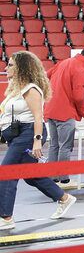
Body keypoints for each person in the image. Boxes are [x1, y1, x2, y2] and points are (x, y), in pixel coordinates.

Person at [1, 52, 76, 230]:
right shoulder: (15, 88)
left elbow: (38, 117)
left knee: (6, 174)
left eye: (10, 65)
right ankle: (64, 198)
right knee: (30, 175)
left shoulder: (31, 89)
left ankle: (6, 217)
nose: (6, 68)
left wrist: (36, 141)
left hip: (27, 135)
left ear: (22, 67)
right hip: (16, 135)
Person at [43, 45, 84, 185]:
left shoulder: (63, 62)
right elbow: (79, 97)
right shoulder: (80, 69)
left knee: (54, 145)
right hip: (65, 112)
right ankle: (63, 177)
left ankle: (52, 176)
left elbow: (45, 76)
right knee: (65, 146)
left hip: (51, 109)